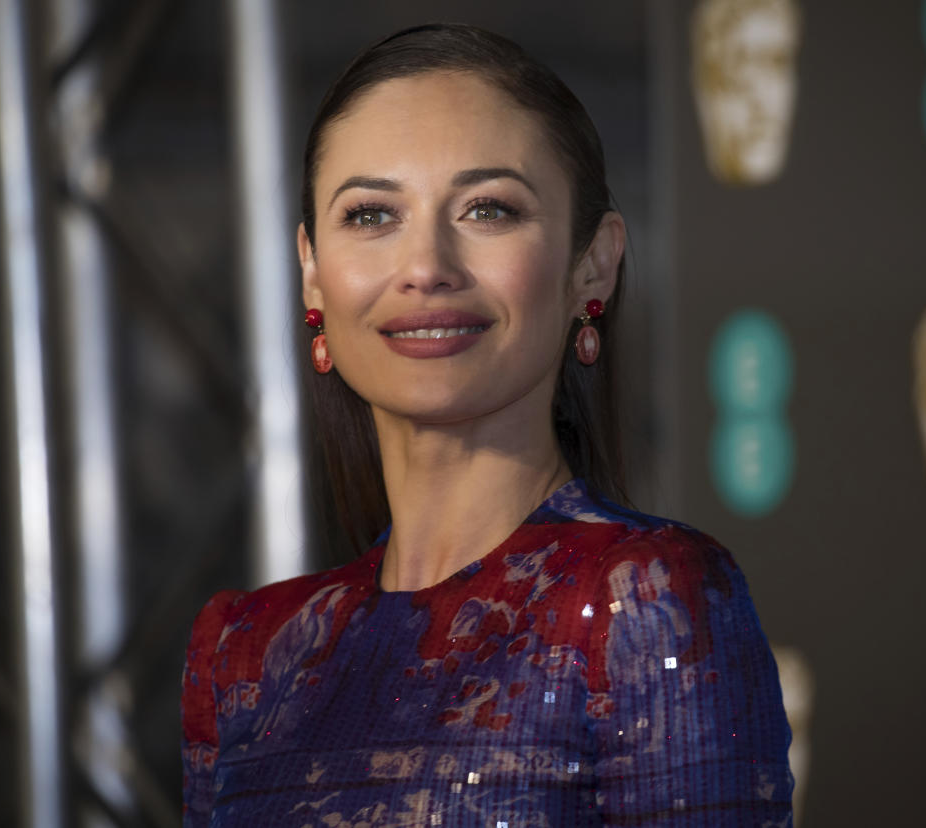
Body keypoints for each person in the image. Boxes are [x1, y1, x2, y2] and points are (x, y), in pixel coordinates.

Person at [181, 23, 792, 827]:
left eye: (488, 208)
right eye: (370, 215)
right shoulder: (243, 651)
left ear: (593, 265)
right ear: (311, 272)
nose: (426, 264)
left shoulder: (644, 602)